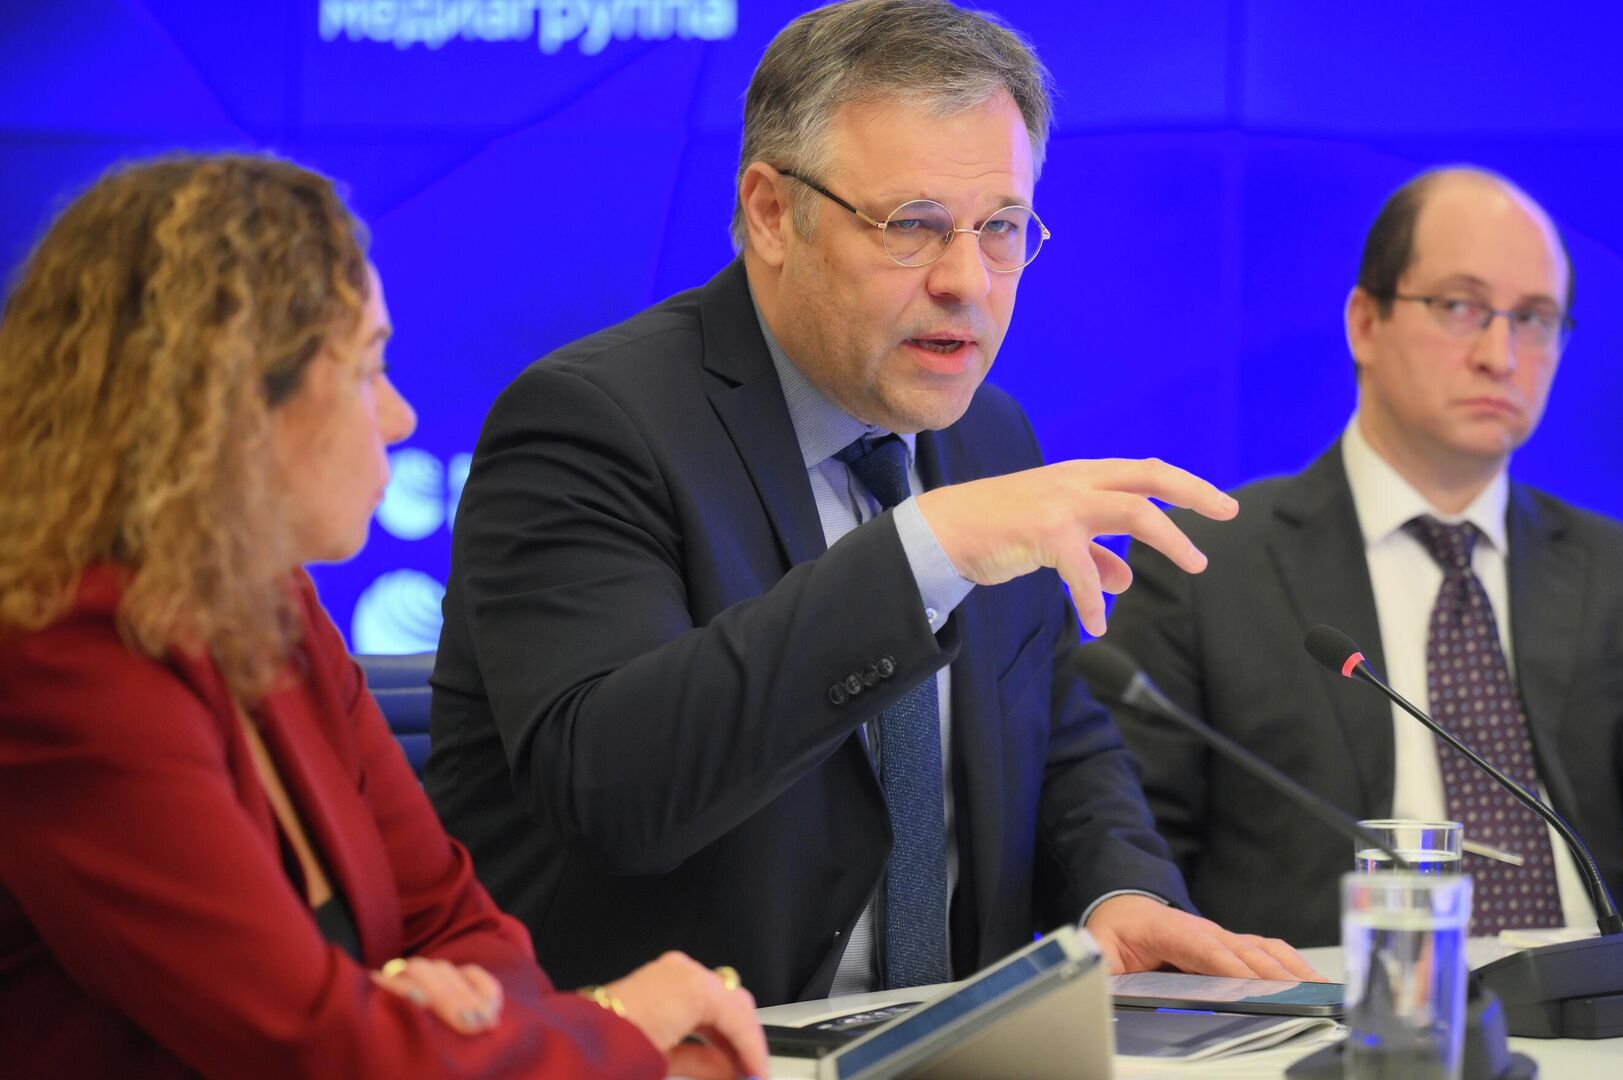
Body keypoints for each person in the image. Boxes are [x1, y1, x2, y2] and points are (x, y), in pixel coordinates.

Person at [428, 0, 1316, 1005]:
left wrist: (1119, 890)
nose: (967, 280)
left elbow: (1054, 734)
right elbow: (613, 791)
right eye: (914, 226)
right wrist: (925, 552)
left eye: (1001, 228)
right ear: (773, 213)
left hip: (960, 1048)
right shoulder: (591, 425)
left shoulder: (990, 436)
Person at [0, 155, 766, 1078]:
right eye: (368, 368)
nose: (400, 418)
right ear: (233, 408)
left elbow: (458, 923)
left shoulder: (271, 610)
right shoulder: (66, 665)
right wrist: (621, 1028)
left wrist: (426, 1021)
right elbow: (316, 1046)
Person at [1104, 166, 1623, 947]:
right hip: (1331, 1010)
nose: (1502, 354)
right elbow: (1128, 838)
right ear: (1365, 323)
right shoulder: (1206, 563)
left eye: (1536, 318)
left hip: (1587, 1013)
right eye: (1460, 307)